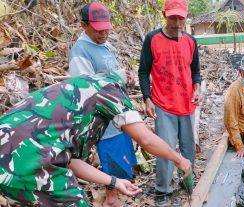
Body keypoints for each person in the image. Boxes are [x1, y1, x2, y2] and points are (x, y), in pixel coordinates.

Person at [0, 72, 191, 206]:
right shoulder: (110, 89)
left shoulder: (75, 92)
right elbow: (145, 139)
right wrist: (179, 158)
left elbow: (68, 162)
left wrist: (114, 182)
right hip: (28, 162)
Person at [68, 2, 136, 206]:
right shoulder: (80, 52)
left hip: (118, 115)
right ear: (84, 25)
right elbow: (88, 88)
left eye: (106, 27)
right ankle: (112, 200)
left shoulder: (106, 45)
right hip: (103, 120)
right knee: (111, 160)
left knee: (122, 159)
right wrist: (117, 79)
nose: (104, 32)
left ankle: (118, 195)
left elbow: (112, 74)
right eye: (98, 29)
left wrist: (126, 79)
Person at [138, 0, 201, 205]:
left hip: (187, 105)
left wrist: (197, 89)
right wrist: (147, 98)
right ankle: (162, 190)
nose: (176, 22)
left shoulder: (191, 41)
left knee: (188, 149)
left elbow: (196, 72)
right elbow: (143, 71)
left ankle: (187, 182)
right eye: (172, 17)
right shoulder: (152, 39)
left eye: (180, 17)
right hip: (163, 104)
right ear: (165, 15)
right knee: (165, 149)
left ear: (186, 17)